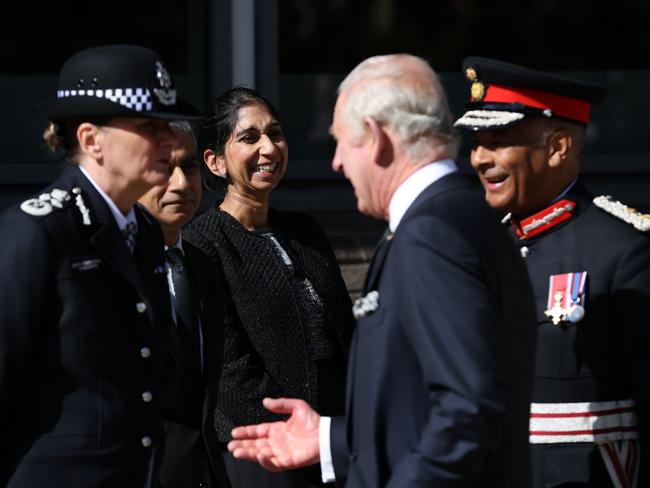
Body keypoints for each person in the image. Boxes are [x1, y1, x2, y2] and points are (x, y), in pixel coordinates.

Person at [226, 54, 537, 487]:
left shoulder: (433, 233)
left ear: (374, 137)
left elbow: (466, 414)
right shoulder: (460, 216)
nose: (335, 162)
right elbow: (420, 408)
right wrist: (329, 438)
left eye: (340, 141)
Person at [0, 44, 200, 487]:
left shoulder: (144, 233)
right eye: (150, 126)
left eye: (168, 125)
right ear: (92, 140)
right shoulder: (36, 233)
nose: (169, 139)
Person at [454, 56, 650, 488]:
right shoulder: (479, 247)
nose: (480, 159)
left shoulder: (625, 251)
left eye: (499, 141)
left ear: (558, 146)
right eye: (476, 142)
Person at [182, 86, 354, 488]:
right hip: (261, 451)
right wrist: (292, 430)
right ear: (215, 161)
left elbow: (345, 330)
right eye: (249, 137)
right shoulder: (204, 243)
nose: (269, 148)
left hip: (332, 440)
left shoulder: (304, 231)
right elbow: (229, 368)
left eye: (275, 133)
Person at [137, 121, 230, 488]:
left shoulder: (204, 264)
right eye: (163, 167)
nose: (180, 183)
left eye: (189, 167)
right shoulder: (110, 272)